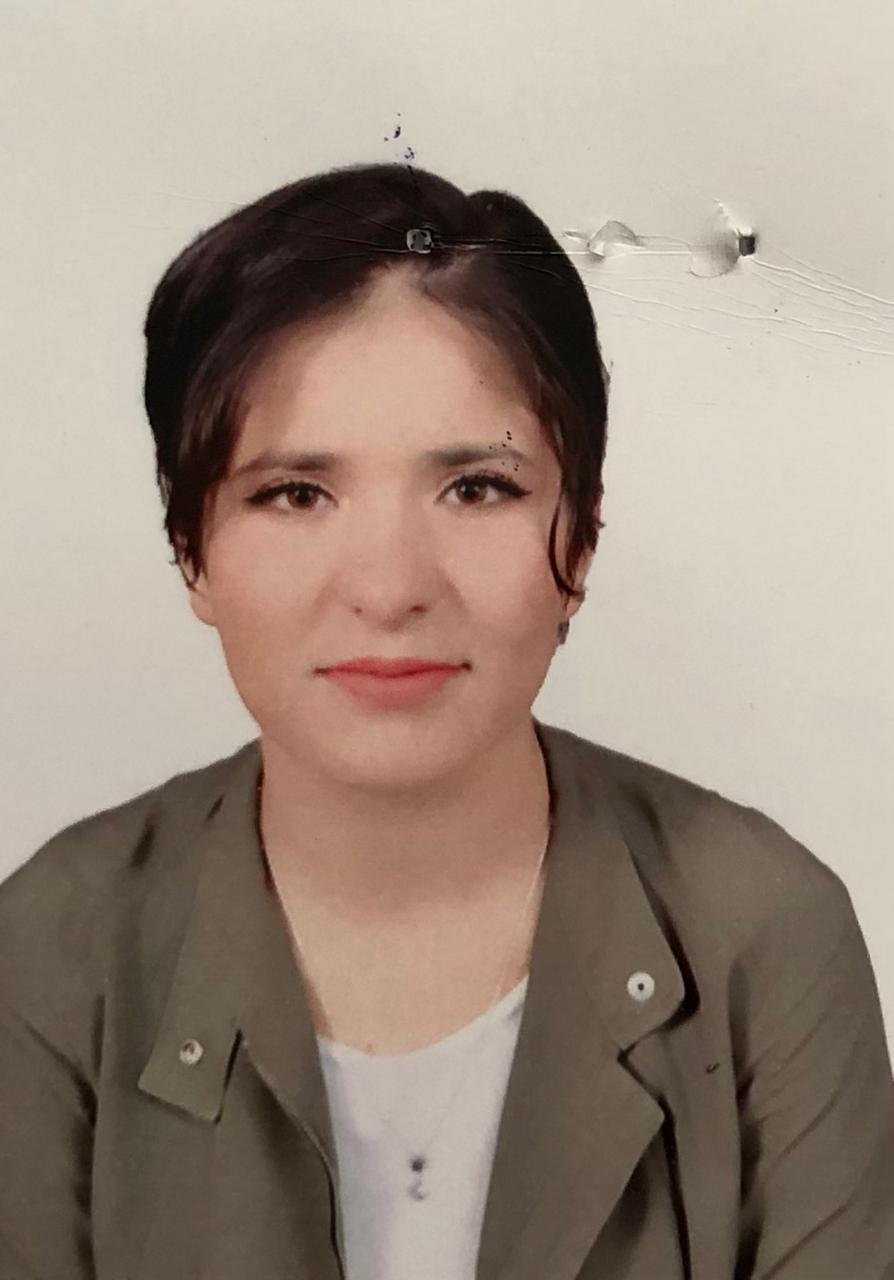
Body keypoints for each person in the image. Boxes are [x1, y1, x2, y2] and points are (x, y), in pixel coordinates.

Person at [1, 161, 893, 1280]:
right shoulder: (50, 952)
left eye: (476, 487)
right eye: (295, 493)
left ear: (581, 541)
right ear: (192, 550)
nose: (389, 588)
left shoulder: (764, 933)